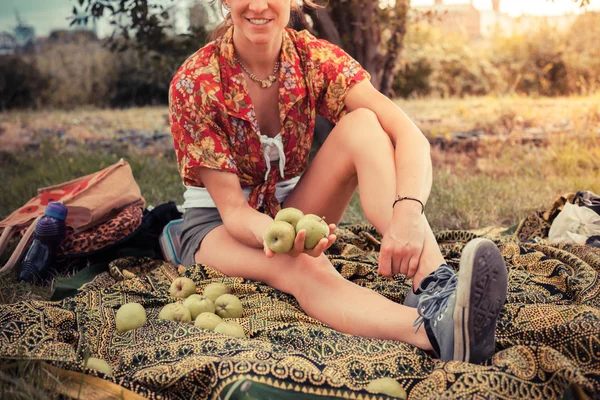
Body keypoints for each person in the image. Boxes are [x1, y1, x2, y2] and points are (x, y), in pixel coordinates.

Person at [168, 0, 508, 364]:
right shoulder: (196, 81)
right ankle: (435, 330)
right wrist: (283, 240)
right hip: (219, 226)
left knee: (364, 123)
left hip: (289, 210)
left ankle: (433, 284)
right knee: (302, 266)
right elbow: (235, 212)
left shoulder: (311, 57)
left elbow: (409, 135)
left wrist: (407, 213)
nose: (258, 5)